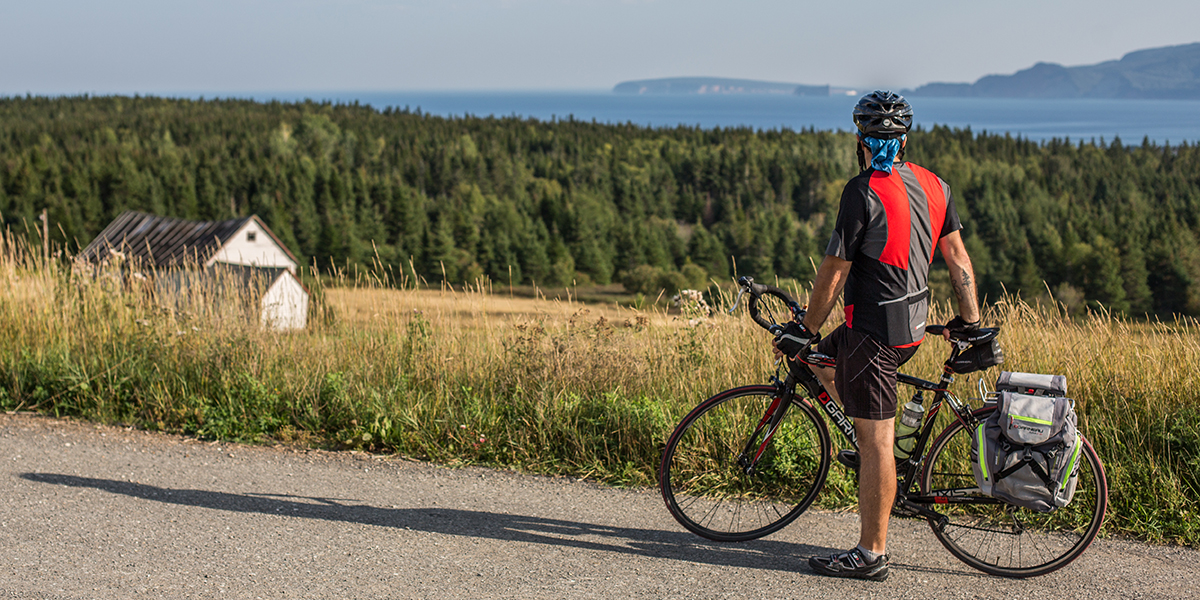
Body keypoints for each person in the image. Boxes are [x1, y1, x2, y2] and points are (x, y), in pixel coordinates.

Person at [772, 90, 981, 582]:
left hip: (873, 334)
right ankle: (870, 445)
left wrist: (805, 327)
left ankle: (871, 554)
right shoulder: (934, 185)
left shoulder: (861, 191)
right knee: (819, 359)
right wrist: (970, 323)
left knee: (876, 443)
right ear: (904, 140)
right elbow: (957, 259)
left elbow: (834, 269)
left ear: (860, 140)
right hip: (907, 328)